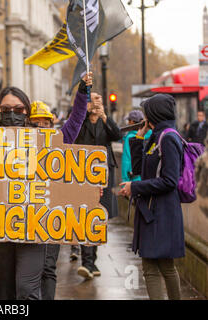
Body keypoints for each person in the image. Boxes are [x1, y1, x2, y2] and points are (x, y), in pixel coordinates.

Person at [0, 72, 93, 300]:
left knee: (27, 290)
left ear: (26, 112)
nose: (11, 114)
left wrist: (88, 189)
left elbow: (72, 129)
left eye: (18, 109)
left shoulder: (43, 141)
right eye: (5, 110)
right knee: (5, 295)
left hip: (34, 229)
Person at [119, 93, 185, 300]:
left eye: (147, 112)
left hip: (162, 212)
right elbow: (138, 169)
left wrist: (135, 187)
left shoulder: (169, 138)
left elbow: (170, 181)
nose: (144, 116)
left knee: (155, 267)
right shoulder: (158, 136)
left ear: (154, 113)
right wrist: (140, 137)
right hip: (153, 210)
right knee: (165, 266)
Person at [74, 92, 122, 280]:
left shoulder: (105, 122)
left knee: (99, 216)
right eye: (93, 99)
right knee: (86, 215)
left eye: (99, 99)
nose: (97, 102)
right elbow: (72, 135)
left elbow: (117, 135)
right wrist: (83, 113)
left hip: (104, 174)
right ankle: (87, 262)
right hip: (83, 174)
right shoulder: (80, 122)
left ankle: (92, 260)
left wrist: (104, 116)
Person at [29, 101, 61, 300]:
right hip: (26, 215)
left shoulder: (61, 144)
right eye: (35, 123)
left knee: (48, 266)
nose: (41, 126)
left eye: (45, 122)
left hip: (51, 213)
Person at [122, 110, 152, 182]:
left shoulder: (131, 138)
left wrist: (125, 180)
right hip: (147, 176)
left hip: (133, 177)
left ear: (132, 122)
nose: (128, 123)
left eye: (129, 120)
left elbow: (127, 159)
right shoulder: (151, 135)